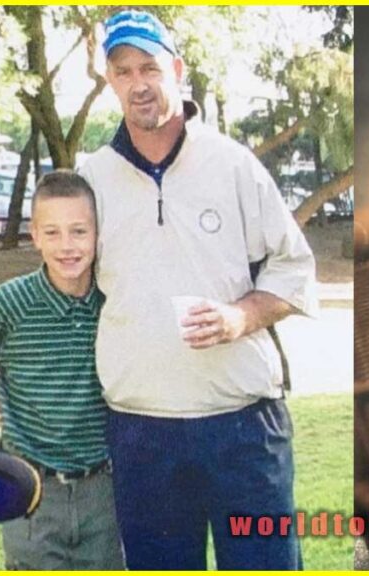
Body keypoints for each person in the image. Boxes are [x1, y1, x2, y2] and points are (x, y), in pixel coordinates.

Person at [78, 10, 318, 570]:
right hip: (141, 432)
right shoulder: (92, 177)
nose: (139, 83)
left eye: (150, 67)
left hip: (241, 427)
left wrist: (240, 318)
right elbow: (71, 293)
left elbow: (293, 266)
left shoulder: (233, 165)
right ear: (110, 81)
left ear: (177, 70)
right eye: (123, 71)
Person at [0, 171, 125, 570]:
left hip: (105, 494)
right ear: (34, 235)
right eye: (52, 233)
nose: (67, 246)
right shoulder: (8, 304)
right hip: (29, 498)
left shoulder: (116, 302)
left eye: (78, 231)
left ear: (97, 234)